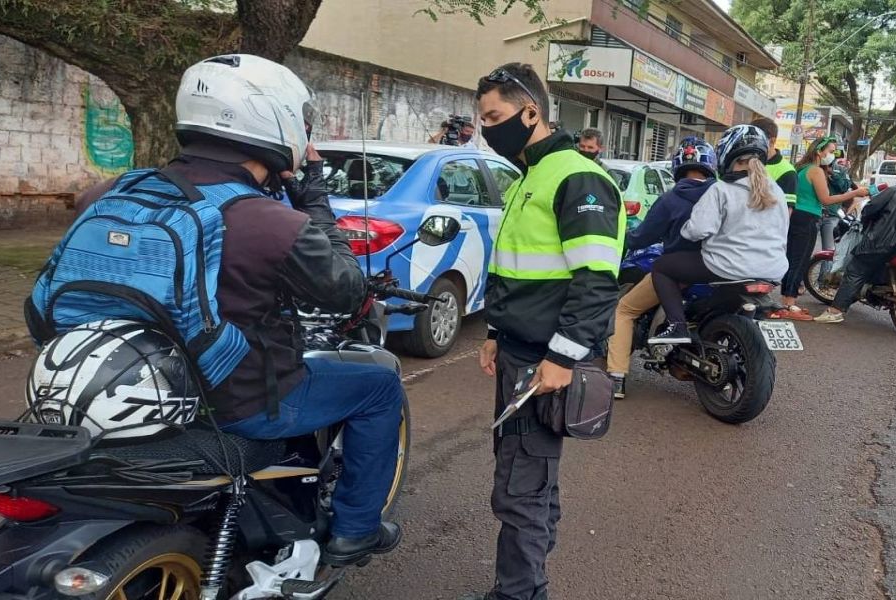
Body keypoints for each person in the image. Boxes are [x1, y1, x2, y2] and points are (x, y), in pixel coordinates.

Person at [58, 55, 404, 565]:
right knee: (380, 383)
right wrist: (311, 194)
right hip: (235, 402)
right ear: (273, 118)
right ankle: (355, 530)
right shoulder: (267, 220)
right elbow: (346, 289)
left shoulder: (111, 192)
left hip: (108, 387)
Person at [474, 62, 624, 600]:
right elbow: (517, 266)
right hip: (519, 352)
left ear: (531, 112)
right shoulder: (530, 175)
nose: (486, 128)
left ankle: (518, 594)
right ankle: (524, 584)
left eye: (494, 116)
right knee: (530, 480)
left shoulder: (576, 177)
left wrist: (561, 358)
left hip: (544, 362)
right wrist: (494, 330)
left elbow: (596, 281)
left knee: (520, 488)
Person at [648, 125, 789, 344]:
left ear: (726, 154)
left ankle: (678, 325)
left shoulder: (722, 189)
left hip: (727, 266)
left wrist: (685, 230)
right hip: (772, 271)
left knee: (662, 267)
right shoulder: (776, 191)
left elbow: (697, 230)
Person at [607, 137, 718, 398]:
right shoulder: (723, 194)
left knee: (623, 310)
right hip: (725, 269)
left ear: (678, 165)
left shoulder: (670, 199)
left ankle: (616, 377)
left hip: (681, 269)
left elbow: (642, 237)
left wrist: (621, 237)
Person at [815, 162, 896, 323]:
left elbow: (869, 210)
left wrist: (867, 223)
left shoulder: (893, 192)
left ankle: (835, 311)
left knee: (855, 270)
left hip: (883, 242)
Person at [770, 136, 869, 321]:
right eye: (830, 151)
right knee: (798, 261)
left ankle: (787, 300)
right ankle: (789, 303)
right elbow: (826, 199)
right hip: (807, 217)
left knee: (793, 258)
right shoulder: (815, 171)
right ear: (819, 151)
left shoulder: (802, 168)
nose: (832, 155)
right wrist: (855, 193)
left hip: (797, 216)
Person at [751, 117, 798, 206]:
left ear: (772, 141)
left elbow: (786, 211)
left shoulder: (787, 171)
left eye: (757, 140)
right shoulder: (743, 162)